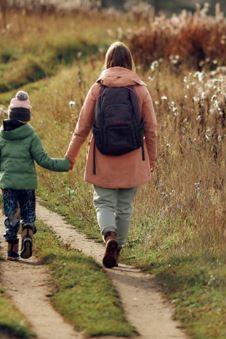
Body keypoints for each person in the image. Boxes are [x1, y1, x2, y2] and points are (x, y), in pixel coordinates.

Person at [65, 41, 157, 268]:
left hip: (102, 157)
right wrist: (151, 160)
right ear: (130, 62)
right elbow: (151, 130)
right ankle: (118, 249)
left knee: (104, 203)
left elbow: (82, 126)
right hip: (133, 157)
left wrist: (71, 156)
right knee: (125, 206)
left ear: (107, 61)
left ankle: (110, 238)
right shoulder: (140, 89)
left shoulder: (98, 87)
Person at [0, 90, 71, 261]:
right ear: (27, 117)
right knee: (28, 213)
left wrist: (2, 171)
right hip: (27, 185)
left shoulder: (1, 135)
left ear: (11, 114)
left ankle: (12, 250)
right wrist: (65, 164)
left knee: (11, 215)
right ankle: (27, 231)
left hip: (8, 184)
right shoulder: (31, 135)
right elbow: (43, 159)